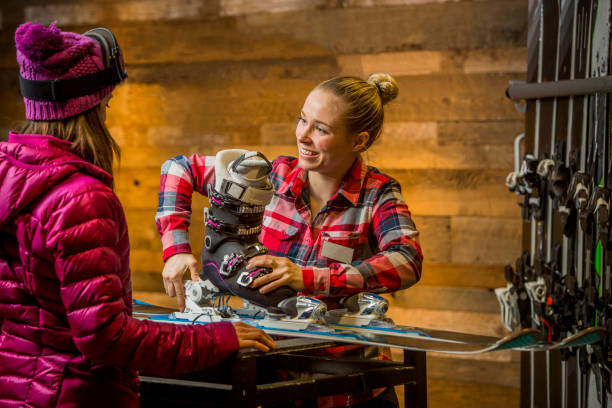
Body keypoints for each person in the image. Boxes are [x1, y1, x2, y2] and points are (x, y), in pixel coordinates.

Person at [0, 22, 275, 408]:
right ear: (94, 106)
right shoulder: (81, 199)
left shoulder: (9, 177)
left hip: (18, 389)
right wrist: (218, 338)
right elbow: (105, 337)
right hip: (76, 395)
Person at [157, 73, 423, 407]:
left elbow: (408, 260)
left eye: (321, 129)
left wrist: (309, 277)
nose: (303, 136)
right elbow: (179, 168)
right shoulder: (271, 176)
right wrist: (176, 248)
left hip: (351, 386)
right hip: (274, 375)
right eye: (303, 119)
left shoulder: (378, 194)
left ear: (358, 141)